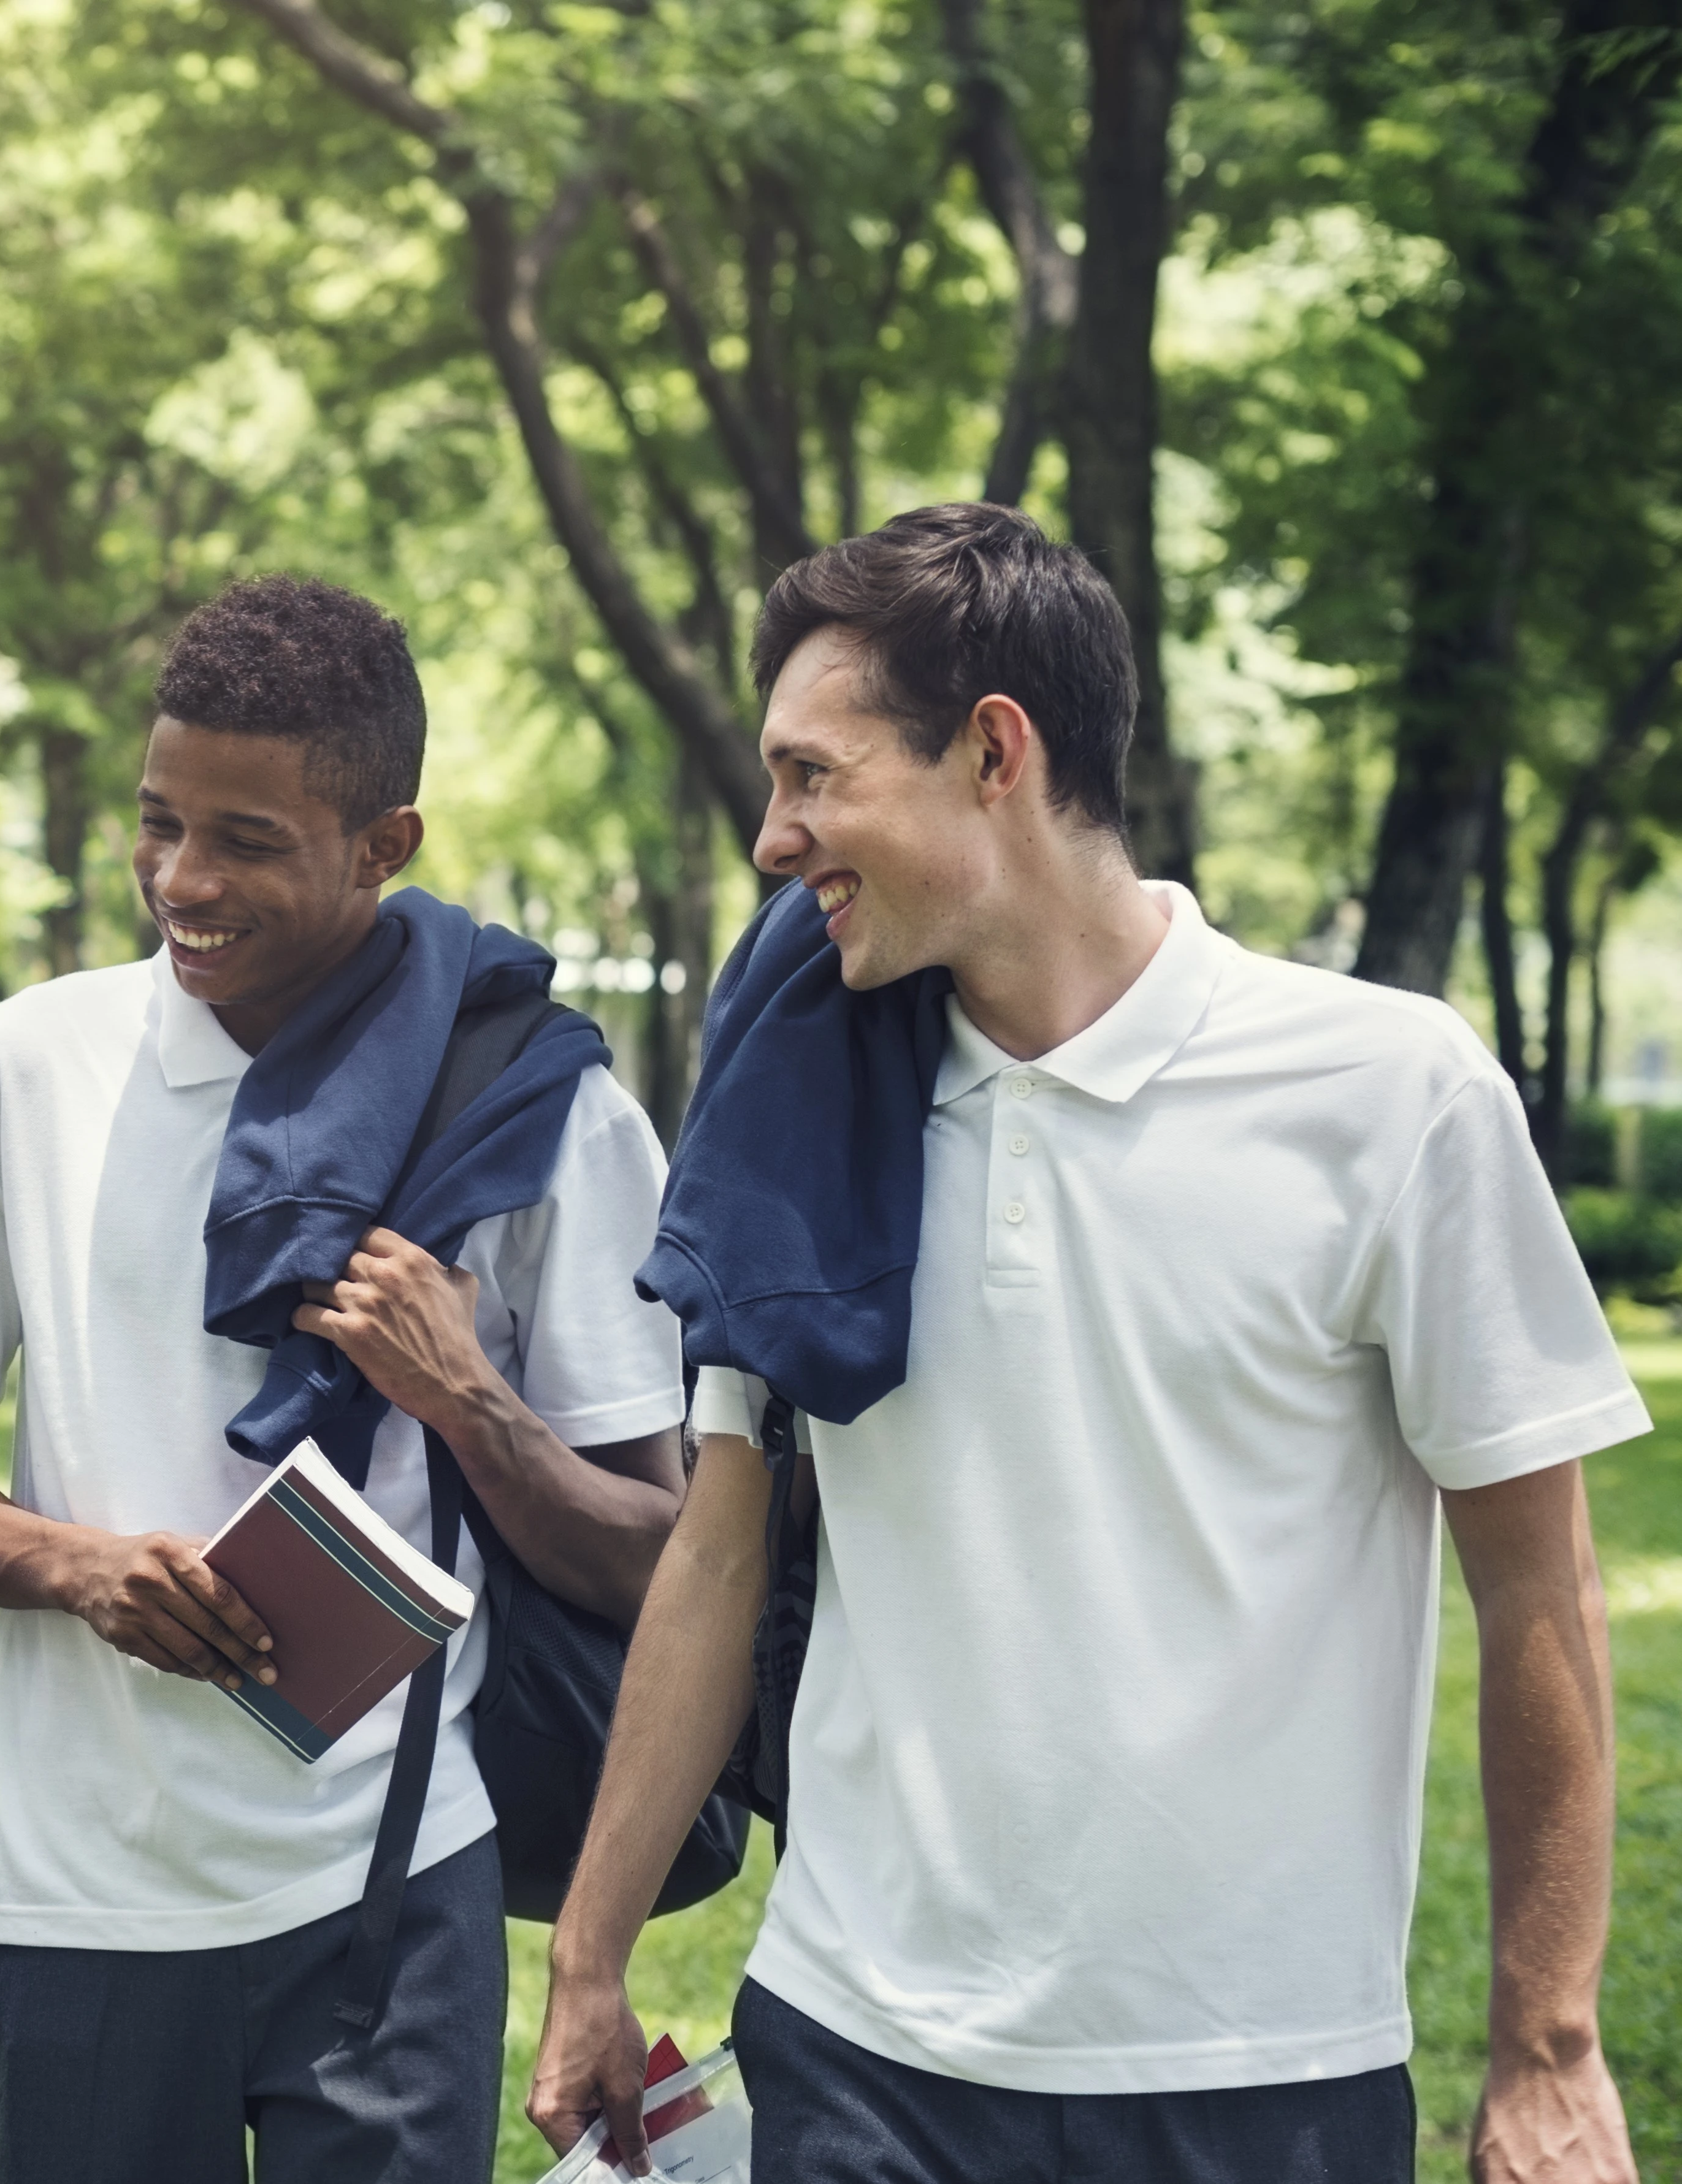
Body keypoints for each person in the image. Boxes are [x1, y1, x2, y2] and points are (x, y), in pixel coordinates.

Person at [527, 503, 1643, 2184]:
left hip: (1254, 2066)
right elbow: (719, 1551)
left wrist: (1548, 2045)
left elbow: (1539, 1592)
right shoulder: (809, 1098)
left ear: (994, 752)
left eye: (814, 776)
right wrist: (590, 1954)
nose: (774, 836)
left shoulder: (1389, 1093)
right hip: (860, 2039)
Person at [0, 575, 692, 2184]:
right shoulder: (12, 1077)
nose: (182, 880)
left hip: (395, 1888)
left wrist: (472, 1399)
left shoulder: (543, 1110)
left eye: (246, 838)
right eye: (160, 821)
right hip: (85, 1895)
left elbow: (659, 1550)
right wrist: (78, 1565)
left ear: (388, 843)